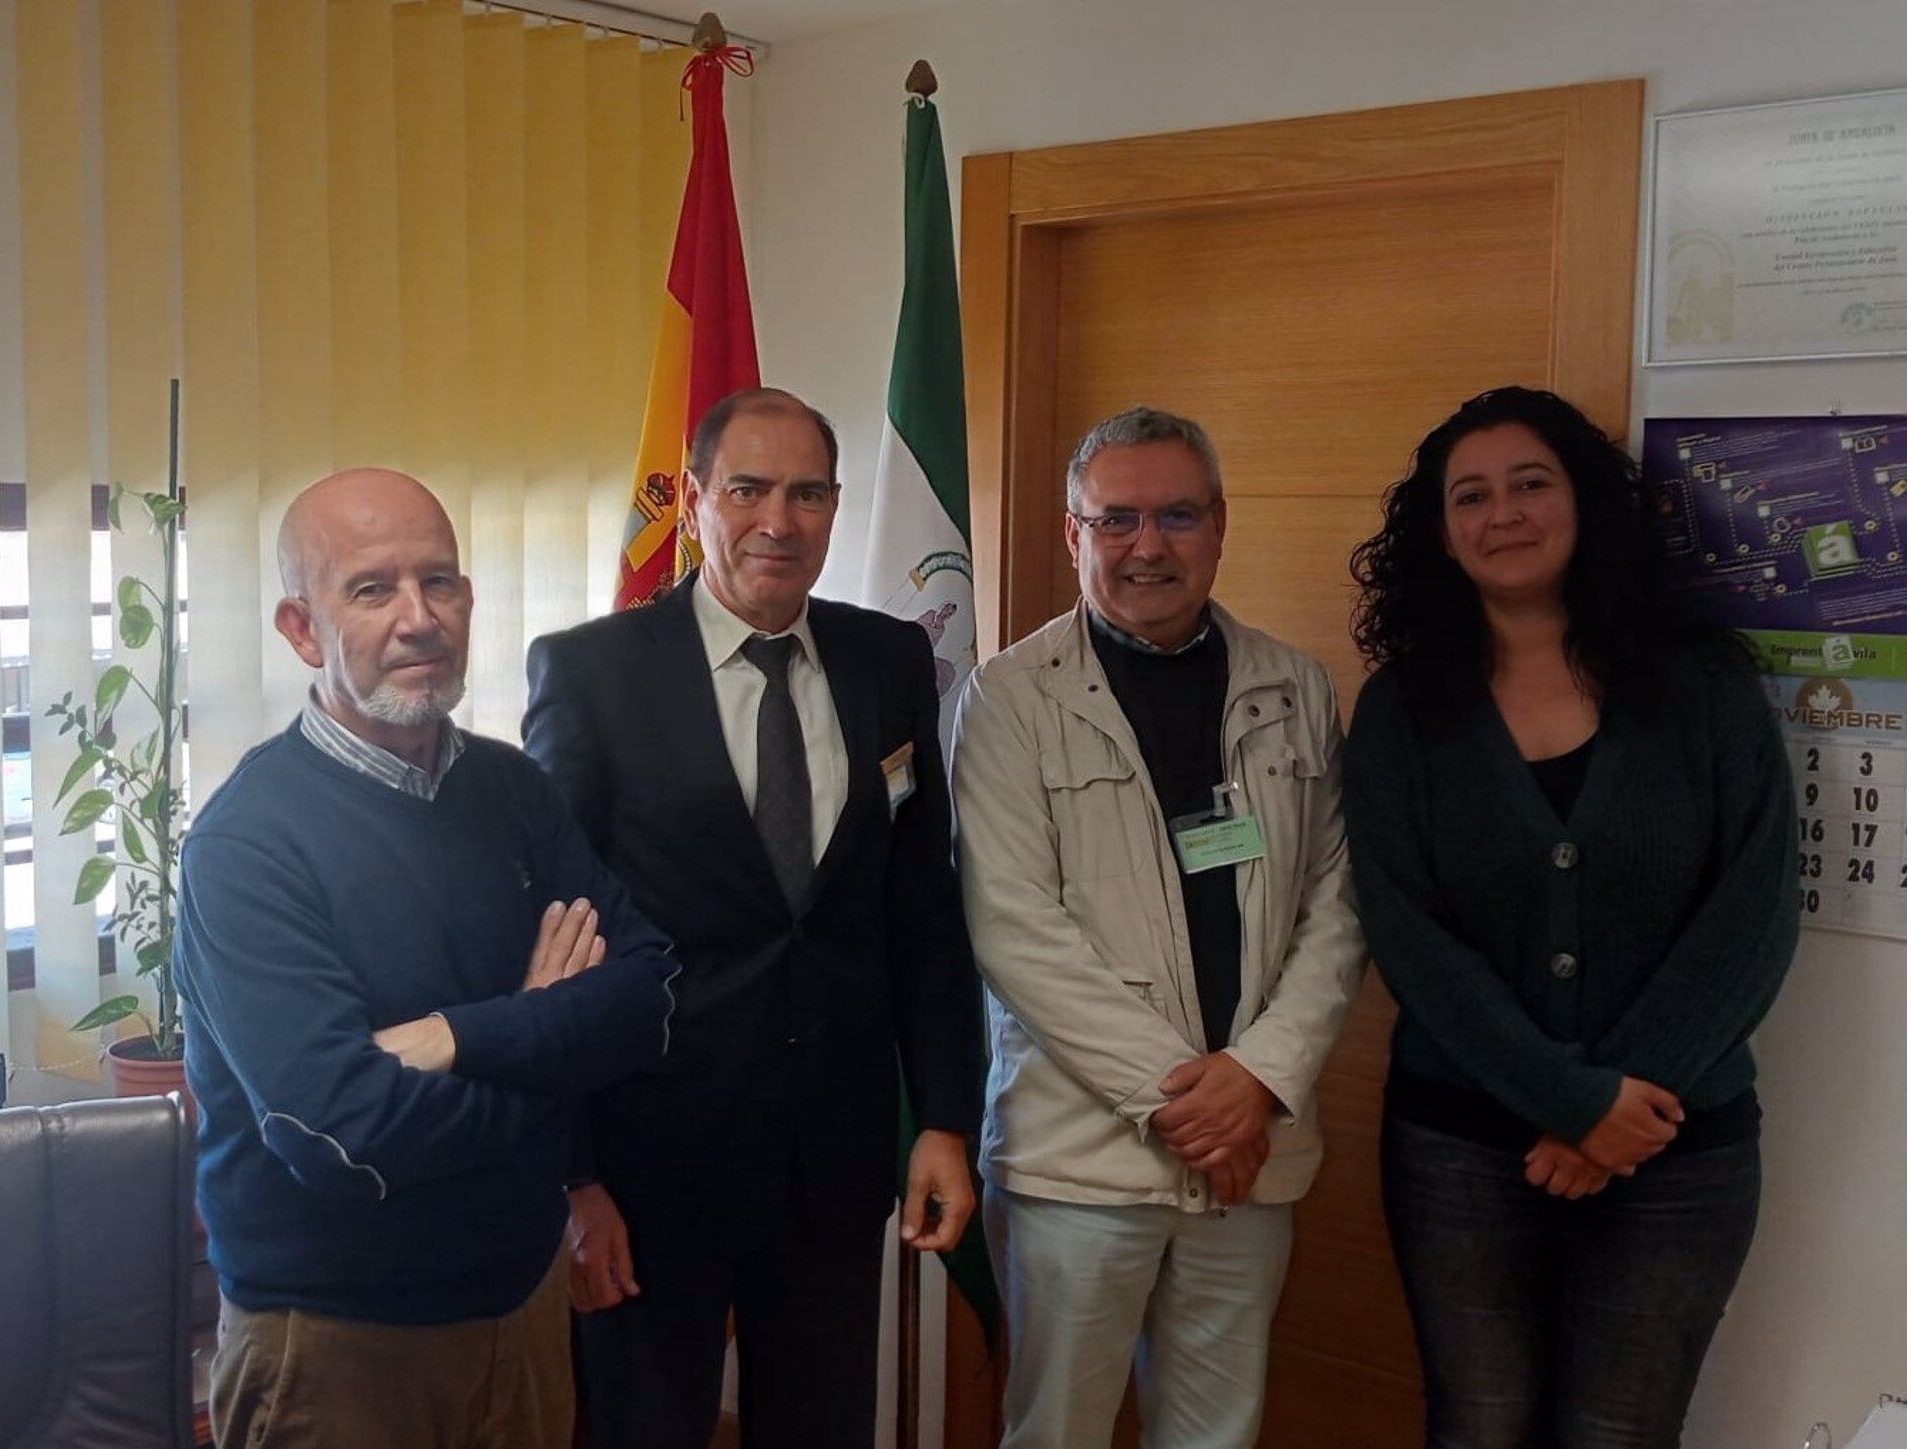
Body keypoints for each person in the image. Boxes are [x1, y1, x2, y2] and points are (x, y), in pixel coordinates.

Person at [174, 469, 679, 1449]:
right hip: (334, 1347)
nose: (419, 618)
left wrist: (461, 1035)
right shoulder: (248, 844)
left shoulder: (514, 792)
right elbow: (342, 1137)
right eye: (372, 589)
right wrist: (550, 1048)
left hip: (521, 1313)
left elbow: (644, 996)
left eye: (440, 583)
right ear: (302, 630)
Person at [523, 387, 985, 1448]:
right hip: (650, 1165)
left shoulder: (887, 661)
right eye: (748, 489)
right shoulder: (593, 673)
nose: (778, 521)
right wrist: (574, 1176)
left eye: (808, 493)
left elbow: (919, 910)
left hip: (832, 1158)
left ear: (834, 506)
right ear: (693, 501)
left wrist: (946, 1120)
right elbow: (554, 939)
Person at [1343, 386, 1799, 1448]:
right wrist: (1566, 1096)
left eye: (1530, 484)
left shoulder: (1704, 684)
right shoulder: (1404, 710)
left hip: (1676, 1148)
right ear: (1441, 533)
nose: (1502, 514)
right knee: (1480, 1426)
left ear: (1584, 502)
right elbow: (1406, 929)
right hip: (1460, 1151)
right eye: (1471, 496)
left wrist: (1616, 1113)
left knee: (1620, 1434)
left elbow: (1755, 910)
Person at [951, 406, 1365, 1448]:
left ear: (1220, 524)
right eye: (1117, 520)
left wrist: (1259, 1082)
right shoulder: (1008, 698)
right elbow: (1013, 927)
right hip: (1081, 1164)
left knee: (1217, 1432)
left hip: (1254, 1152)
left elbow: (1339, 907)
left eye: (1176, 515)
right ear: (1072, 534)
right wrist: (1188, 1108)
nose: (1148, 546)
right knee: (1057, 1432)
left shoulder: (1294, 689)